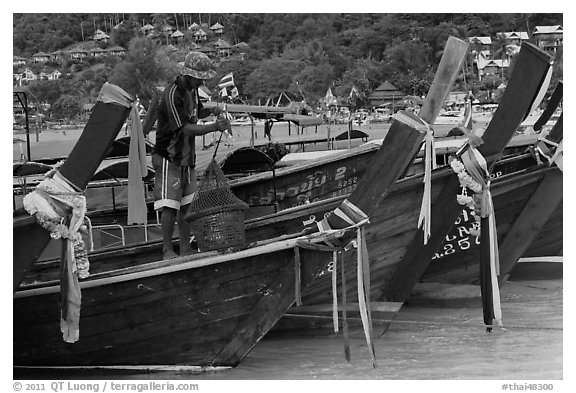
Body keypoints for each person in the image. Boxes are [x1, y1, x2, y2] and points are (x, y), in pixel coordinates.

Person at [153, 51, 230, 259]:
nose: (201, 82)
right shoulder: (172, 94)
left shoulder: (192, 91)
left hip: (188, 158)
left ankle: (186, 247)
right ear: (188, 75)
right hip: (169, 156)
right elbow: (185, 127)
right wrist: (215, 127)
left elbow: (196, 113)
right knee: (170, 205)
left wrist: (212, 111)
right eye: (199, 78)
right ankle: (167, 249)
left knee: (187, 205)